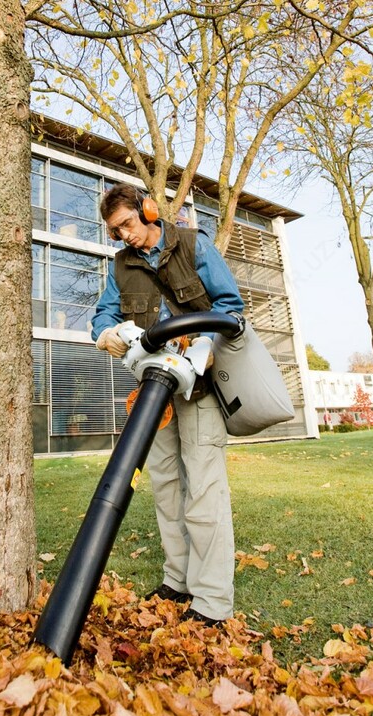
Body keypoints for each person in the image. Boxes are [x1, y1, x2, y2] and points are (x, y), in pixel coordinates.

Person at [91, 183, 244, 626]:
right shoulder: (121, 266)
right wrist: (107, 333)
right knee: (166, 488)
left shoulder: (194, 245)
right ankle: (178, 580)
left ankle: (212, 600)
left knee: (204, 491)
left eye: (127, 224)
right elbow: (104, 314)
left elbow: (231, 305)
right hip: (154, 393)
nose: (124, 235)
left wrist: (207, 342)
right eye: (116, 231)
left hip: (198, 386)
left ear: (148, 210)